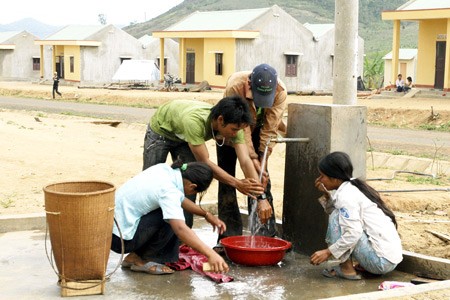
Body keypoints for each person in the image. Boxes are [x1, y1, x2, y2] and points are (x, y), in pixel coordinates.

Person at [142, 96, 265, 229]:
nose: (235, 134)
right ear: (220, 120)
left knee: (191, 183)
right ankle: (146, 229)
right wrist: (237, 183)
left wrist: (261, 197)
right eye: (234, 130)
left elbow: (246, 161)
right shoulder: (195, 122)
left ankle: (183, 234)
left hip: (184, 136)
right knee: (151, 181)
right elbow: (205, 161)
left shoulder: (236, 125)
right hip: (162, 130)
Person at [111, 159, 229, 274]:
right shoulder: (169, 192)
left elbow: (180, 199)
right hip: (120, 240)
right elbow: (180, 228)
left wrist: (206, 214)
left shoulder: (163, 169)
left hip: (110, 229)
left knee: (171, 211)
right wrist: (211, 254)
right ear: (192, 186)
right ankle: (143, 260)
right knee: (173, 219)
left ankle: (134, 257)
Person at [217, 63, 287, 241]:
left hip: (259, 130)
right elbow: (241, 129)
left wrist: (262, 157)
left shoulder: (280, 91)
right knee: (227, 180)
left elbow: (270, 128)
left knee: (262, 178)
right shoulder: (235, 85)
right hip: (231, 130)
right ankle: (228, 235)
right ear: (249, 83)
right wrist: (252, 157)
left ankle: (264, 235)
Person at [310, 151, 403, 280]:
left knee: (337, 217)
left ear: (335, 178)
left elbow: (353, 233)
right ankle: (359, 265)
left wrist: (328, 252)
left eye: (322, 176)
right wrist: (326, 194)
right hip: (390, 259)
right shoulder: (352, 186)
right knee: (340, 216)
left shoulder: (346, 196)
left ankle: (347, 270)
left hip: (380, 262)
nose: (319, 180)